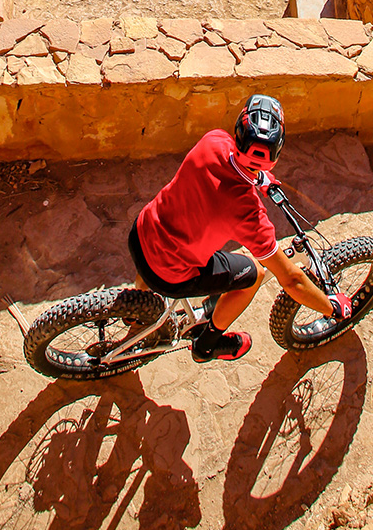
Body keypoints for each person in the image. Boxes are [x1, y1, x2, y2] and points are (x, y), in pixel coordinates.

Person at [128, 94, 352, 363]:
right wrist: (332, 308)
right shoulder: (248, 213)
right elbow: (291, 280)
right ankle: (206, 346)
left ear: (237, 132)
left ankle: (135, 308)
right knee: (254, 274)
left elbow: (233, 165)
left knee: (159, 242)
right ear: (277, 155)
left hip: (141, 234)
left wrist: (259, 177)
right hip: (170, 276)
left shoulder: (213, 141)